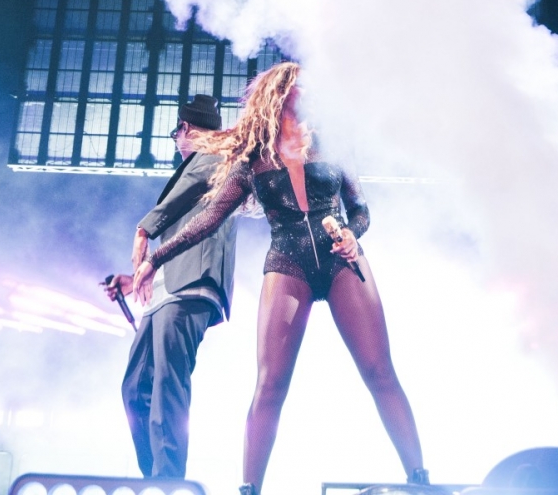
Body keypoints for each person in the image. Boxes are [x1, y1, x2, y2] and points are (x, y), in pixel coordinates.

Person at [133, 62, 427, 495]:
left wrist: (351, 232)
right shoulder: (254, 159)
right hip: (288, 263)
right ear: (283, 91)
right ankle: (250, 488)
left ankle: (420, 480)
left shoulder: (335, 146)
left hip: (343, 261)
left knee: (380, 371)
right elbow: (209, 219)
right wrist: (154, 259)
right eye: (302, 82)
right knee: (270, 384)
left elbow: (360, 210)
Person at [106, 93, 239, 478]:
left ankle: (168, 481)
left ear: (187, 129)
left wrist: (144, 227)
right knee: (136, 388)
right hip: (167, 286)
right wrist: (133, 281)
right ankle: (155, 478)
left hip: (192, 286)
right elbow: (177, 236)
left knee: (168, 383)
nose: (175, 143)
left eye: (175, 133)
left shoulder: (216, 157)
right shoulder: (196, 167)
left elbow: (182, 200)